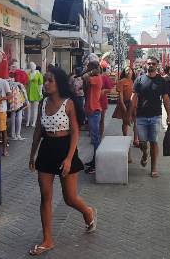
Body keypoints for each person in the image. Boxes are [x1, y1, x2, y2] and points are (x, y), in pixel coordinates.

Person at [28, 67, 96, 256]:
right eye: (45, 81)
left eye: (50, 80)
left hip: (66, 149)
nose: (46, 84)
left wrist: (68, 159)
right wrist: (32, 155)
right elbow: (37, 132)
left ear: (58, 83)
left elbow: (75, 132)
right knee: (45, 197)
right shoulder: (42, 103)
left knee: (69, 198)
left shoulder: (69, 103)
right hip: (47, 149)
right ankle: (47, 240)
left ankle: (88, 212)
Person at [131, 56, 170, 178]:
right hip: (141, 116)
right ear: (145, 65)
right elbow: (133, 97)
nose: (151, 65)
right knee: (143, 143)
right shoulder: (139, 80)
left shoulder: (162, 81)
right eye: (149, 63)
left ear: (157, 65)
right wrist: (130, 113)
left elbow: (166, 99)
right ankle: (144, 154)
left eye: (153, 63)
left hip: (156, 116)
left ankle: (154, 168)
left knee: (154, 142)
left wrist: (169, 115)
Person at [83, 61, 103, 174]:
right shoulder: (95, 78)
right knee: (95, 139)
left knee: (96, 139)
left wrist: (91, 71)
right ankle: (94, 160)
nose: (87, 69)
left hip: (94, 111)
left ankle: (96, 164)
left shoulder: (96, 78)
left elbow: (84, 76)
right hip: (92, 111)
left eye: (89, 67)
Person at [112, 66, 137, 150]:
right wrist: (123, 106)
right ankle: (125, 139)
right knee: (125, 122)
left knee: (136, 122)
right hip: (125, 104)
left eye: (130, 70)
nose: (128, 72)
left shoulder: (134, 81)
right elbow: (121, 95)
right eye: (126, 70)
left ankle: (135, 140)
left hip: (134, 104)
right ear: (124, 72)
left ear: (133, 72)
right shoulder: (121, 81)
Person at [98, 66, 114, 138]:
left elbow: (110, 89)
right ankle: (94, 135)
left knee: (101, 119)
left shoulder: (104, 77)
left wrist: (104, 91)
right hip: (91, 101)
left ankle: (100, 135)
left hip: (102, 101)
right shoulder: (89, 78)